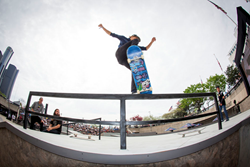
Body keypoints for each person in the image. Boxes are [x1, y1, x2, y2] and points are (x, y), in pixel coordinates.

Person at [98, 24, 156, 93]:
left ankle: (134, 90)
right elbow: (111, 34)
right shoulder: (124, 38)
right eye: (135, 38)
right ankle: (132, 51)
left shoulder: (135, 45)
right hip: (120, 53)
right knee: (134, 43)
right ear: (131, 37)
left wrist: (152, 41)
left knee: (135, 70)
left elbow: (146, 48)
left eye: (137, 40)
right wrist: (102, 27)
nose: (137, 41)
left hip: (123, 60)